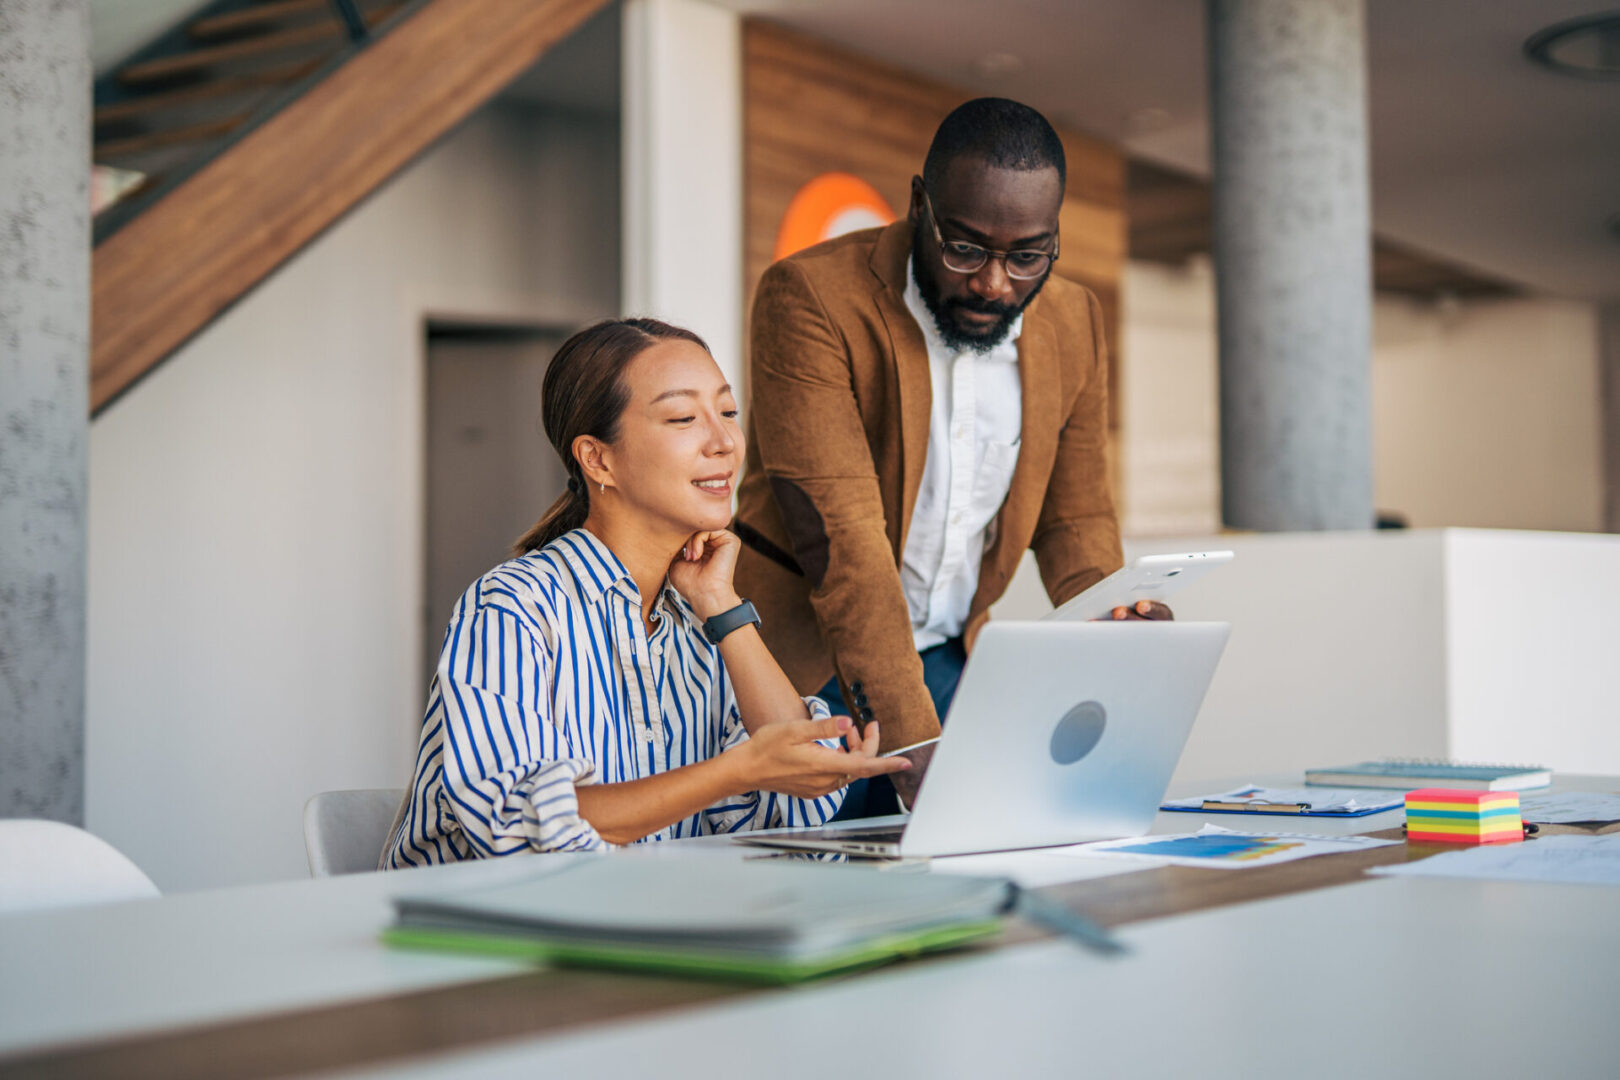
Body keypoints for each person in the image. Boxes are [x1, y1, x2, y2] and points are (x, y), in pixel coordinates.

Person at [732, 98, 1166, 815]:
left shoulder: (1072, 321)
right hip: (803, 667)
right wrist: (910, 738)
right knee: (804, 890)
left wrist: (1116, 627)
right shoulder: (811, 297)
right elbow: (843, 538)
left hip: (953, 660)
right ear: (918, 206)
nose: (995, 284)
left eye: (1027, 256)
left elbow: (1076, 517)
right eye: (965, 248)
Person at [383, 318, 907, 866]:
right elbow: (516, 825)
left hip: (640, 926)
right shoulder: (514, 606)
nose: (725, 441)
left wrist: (722, 608)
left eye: (728, 412)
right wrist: (738, 769)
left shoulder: (697, 618)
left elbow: (805, 787)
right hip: (485, 938)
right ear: (598, 459)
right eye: (683, 418)